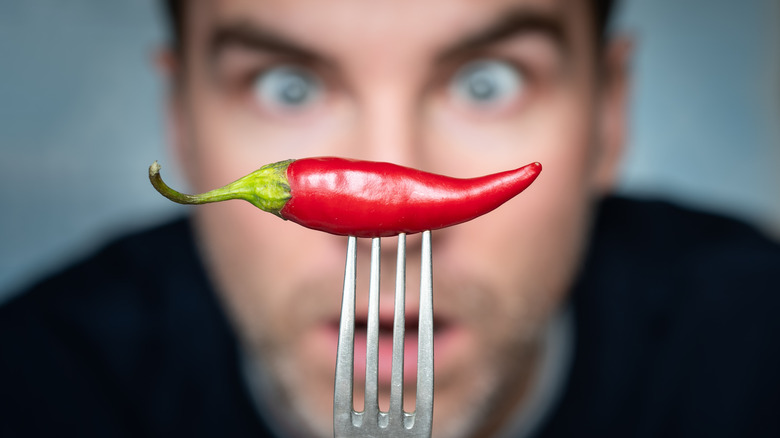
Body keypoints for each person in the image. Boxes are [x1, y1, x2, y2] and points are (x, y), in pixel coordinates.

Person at [2, 0, 779, 437]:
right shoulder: (40, 388)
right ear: (179, 121)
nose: (389, 222)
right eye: (288, 88)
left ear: (609, 115)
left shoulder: (755, 352)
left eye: (486, 83)